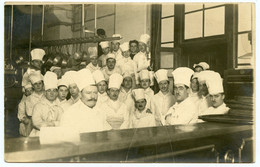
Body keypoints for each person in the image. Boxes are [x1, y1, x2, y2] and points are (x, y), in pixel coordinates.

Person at [60, 69, 111, 133]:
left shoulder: (100, 112)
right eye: (88, 93)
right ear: (80, 94)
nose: (93, 96)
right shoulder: (70, 114)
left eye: (95, 92)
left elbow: (108, 133)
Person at [30, 72, 63, 137]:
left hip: (55, 135)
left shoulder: (59, 108)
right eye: (49, 91)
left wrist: (48, 124)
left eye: (54, 91)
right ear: (45, 93)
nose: (51, 93)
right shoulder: (38, 106)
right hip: (39, 135)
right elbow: (36, 123)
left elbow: (62, 122)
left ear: (57, 93)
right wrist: (54, 123)